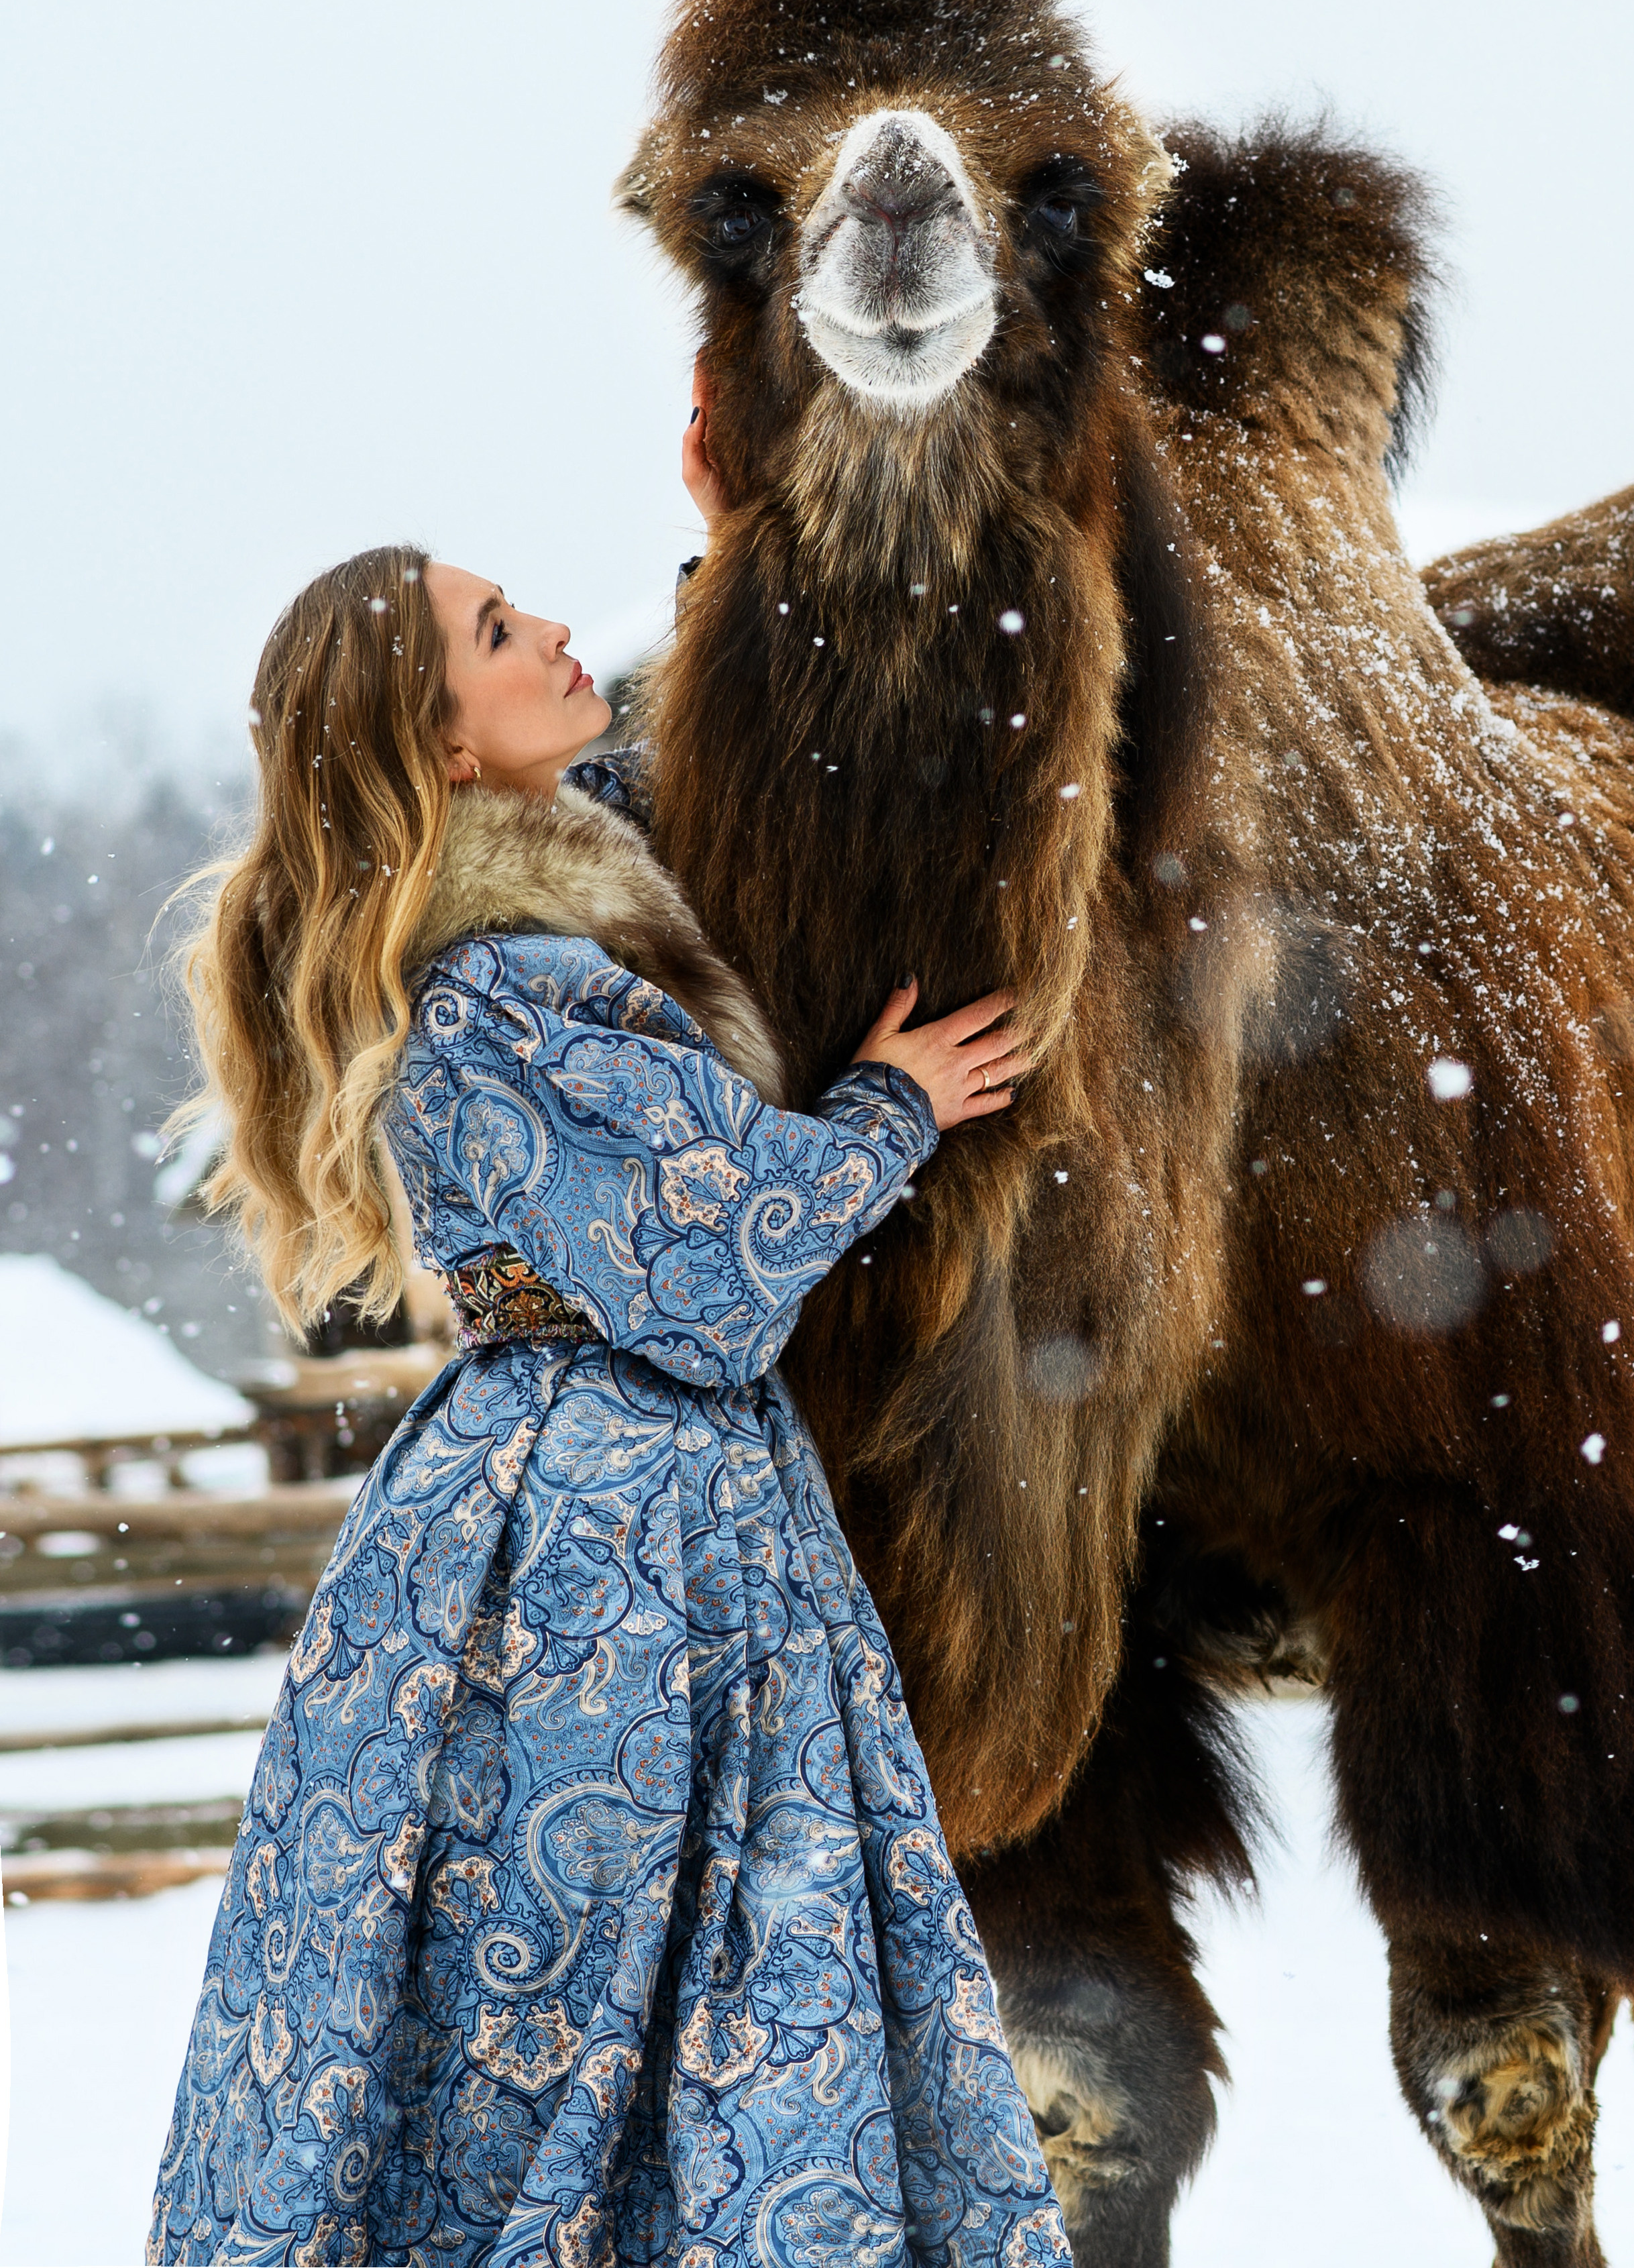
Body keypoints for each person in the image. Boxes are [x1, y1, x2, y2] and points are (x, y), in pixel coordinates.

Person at [149, 413, 1071, 2264]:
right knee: (636, 1979)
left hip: (621, 1498)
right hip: (604, 1535)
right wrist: (887, 1113)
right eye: (499, 633)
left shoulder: (568, 902)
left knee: (646, 1984)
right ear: (440, 742)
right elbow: (707, 1270)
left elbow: (729, 768)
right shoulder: (496, 986)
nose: (556, 632)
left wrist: (752, 542)